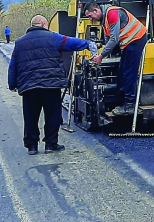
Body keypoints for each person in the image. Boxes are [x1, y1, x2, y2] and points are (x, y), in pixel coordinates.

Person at [8, 15, 95, 155]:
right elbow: (71, 43)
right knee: (52, 115)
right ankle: (50, 144)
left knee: (30, 116)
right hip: (50, 85)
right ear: (44, 24)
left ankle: (32, 147)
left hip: (29, 86)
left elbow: (13, 65)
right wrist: (88, 44)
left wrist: (12, 84)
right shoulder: (53, 37)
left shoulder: (20, 42)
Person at [84, 1, 148, 116]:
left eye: (90, 16)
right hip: (128, 42)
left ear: (96, 10)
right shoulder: (104, 19)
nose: (90, 19)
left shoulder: (112, 13)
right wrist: (100, 55)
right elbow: (108, 39)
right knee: (122, 71)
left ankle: (130, 105)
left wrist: (101, 56)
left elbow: (114, 39)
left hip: (136, 39)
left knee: (128, 73)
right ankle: (123, 96)